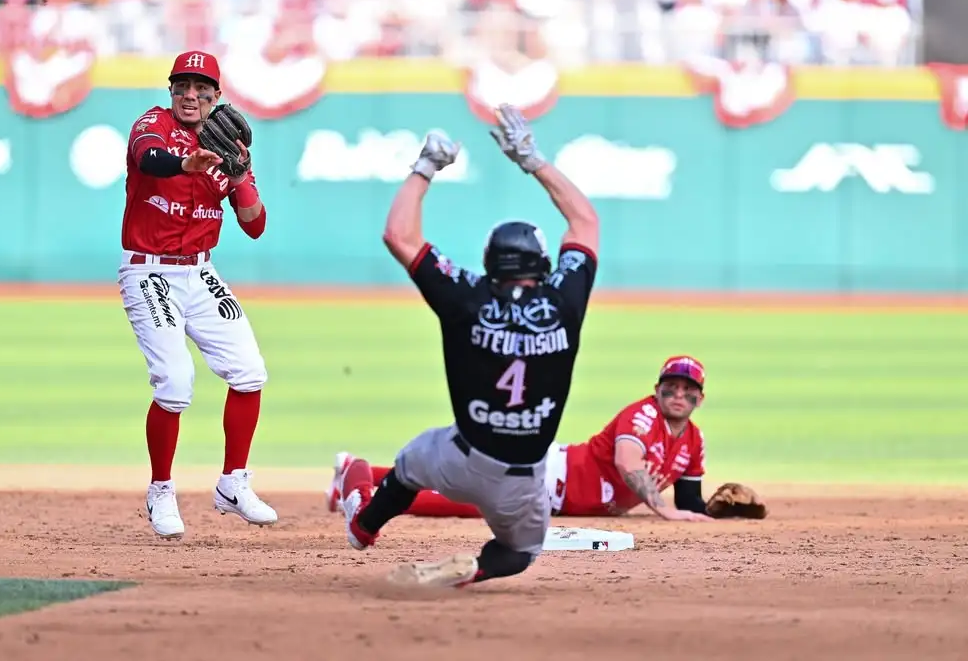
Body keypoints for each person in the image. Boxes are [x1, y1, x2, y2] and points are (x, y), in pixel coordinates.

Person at [334, 104, 599, 588]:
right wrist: (532, 159)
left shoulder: (468, 297)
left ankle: (363, 528)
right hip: (522, 479)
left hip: (458, 457)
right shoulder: (564, 303)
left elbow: (399, 235)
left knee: (409, 467)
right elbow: (584, 224)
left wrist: (425, 166)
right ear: (542, 263)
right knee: (521, 553)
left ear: (489, 262)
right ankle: (473, 570)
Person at [119, 50, 278, 539]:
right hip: (150, 272)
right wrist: (187, 162)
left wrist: (239, 175)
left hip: (200, 273)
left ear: (216, 96)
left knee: (250, 373)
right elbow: (150, 158)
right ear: (171, 91)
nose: (191, 95)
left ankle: (233, 483)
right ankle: (161, 490)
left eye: (201, 88)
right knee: (175, 382)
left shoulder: (228, 144)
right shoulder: (153, 124)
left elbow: (255, 227)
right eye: (182, 87)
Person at [328, 356, 715, 522]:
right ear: (657, 388)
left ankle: (352, 471)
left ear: (700, 397)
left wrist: (717, 512)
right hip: (551, 477)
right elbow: (628, 464)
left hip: (559, 491)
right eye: (671, 386)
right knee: (473, 502)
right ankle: (368, 491)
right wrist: (662, 509)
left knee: (464, 487)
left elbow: (690, 502)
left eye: (688, 388)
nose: (679, 394)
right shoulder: (643, 414)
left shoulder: (694, 441)